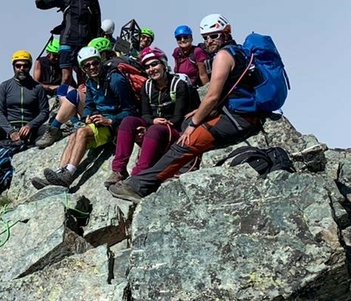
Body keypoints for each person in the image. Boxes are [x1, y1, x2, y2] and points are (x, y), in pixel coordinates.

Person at [107, 14, 267, 203]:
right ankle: (136, 179)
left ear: (226, 33)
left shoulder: (224, 56)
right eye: (206, 37)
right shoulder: (237, 52)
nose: (209, 41)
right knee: (187, 130)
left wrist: (195, 123)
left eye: (214, 35)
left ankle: (138, 186)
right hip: (241, 115)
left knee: (186, 142)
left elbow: (213, 96)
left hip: (239, 119)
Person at [32, 45, 139, 190]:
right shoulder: (90, 82)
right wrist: (88, 116)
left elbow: (130, 110)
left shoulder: (115, 80)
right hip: (100, 121)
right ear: (83, 69)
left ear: (100, 62)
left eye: (95, 63)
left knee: (81, 132)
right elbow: (88, 104)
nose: (92, 67)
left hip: (114, 125)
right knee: (74, 135)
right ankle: (60, 173)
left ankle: (68, 175)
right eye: (87, 65)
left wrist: (109, 121)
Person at [104, 48, 200, 186]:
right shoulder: (147, 87)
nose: (151, 69)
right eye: (147, 67)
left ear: (163, 64)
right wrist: (152, 122)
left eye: (154, 64)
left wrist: (153, 125)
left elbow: (178, 117)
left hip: (173, 131)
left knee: (155, 129)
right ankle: (118, 170)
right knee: (128, 121)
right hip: (155, 127)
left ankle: (138, 174)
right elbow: (145, 113)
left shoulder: (179, 85)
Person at [0, 50, 50, 173]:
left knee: (49, 130)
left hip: (30, 128)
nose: (21, 69)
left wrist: (30, 125)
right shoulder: (5, 86)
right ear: (13, 67)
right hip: (9, 127)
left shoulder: (38, 88)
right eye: (18, 66)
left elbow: (44, 111)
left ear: (30, 66)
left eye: (25, 66)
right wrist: (11, 131)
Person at [31, 0, 102, 87]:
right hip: (67, 40)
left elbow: (97, 20)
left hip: (85, 41)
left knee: (83, 77)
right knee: (66, 77)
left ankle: (84, 104)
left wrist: (95, 41)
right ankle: (61, 104)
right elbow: (41, 5)